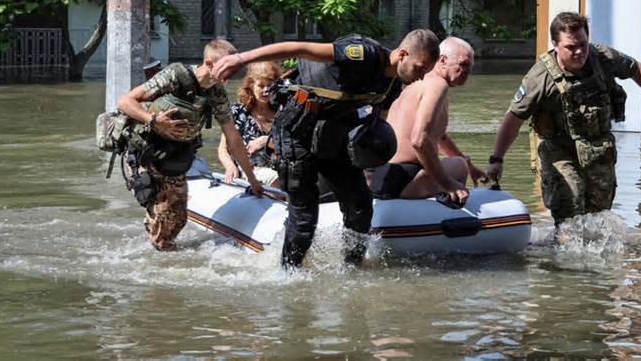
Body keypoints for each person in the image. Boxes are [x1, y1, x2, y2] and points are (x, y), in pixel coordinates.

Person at [212, 29, 440, 268]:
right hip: (296, 132)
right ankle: (288, 275)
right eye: (419, 68)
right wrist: (240, 59)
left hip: (334, 137)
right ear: (402, 54)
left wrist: (370, 156)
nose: (421, 77)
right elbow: (299, 48)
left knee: (360, 207)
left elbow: (375, 122)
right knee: (304, 219)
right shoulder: (362, 54)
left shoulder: (393, 84)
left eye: (426, 72)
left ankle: (352, 269)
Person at [486, 12, 641, 226]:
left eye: (583, 44)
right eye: (570, 47)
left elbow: (636, 69)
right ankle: (563, 253)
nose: (579, 52)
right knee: (570, 203)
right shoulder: (539, 78)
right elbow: (513, 118)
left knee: (599, 215)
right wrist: (497, 158)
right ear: (556, 45)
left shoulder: (602, 57)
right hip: (559, 150)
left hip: (597, 148)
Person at [116, 40, 264, 251]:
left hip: (175, 157)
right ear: (209, 63)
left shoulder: (216, 93)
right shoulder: (175, 76)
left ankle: (155, 246)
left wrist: (252, 180)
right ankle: (156, 265)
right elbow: (125, 101)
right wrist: (153, 120)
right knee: (164, 221)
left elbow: (234, 139)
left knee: (178, 220)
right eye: (227, 68)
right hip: (147, 153)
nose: (231, 75)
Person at [370, 37, 486, 204]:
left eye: (470, 67)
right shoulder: (438, 86)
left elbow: (439, 137)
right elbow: (419, 141)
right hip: (404, 178)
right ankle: (449, 208)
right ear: (443, 61)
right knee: (459, 166)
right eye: (463, 64)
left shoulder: (415, 84)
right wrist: (447, 183)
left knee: (462, 163)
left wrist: (471, 167)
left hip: (383, 176)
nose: (467, 71)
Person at [218, 61, 282, 187]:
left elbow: (290, 146)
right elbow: (222, 149)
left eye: (270, 86)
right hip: (249, 170)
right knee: (274, 177)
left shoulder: (282, 112)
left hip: (280, 166)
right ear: (251, 86)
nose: (266, 90)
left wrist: (265, 141)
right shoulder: (237, 112)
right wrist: (230, 166)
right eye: (261, 86)